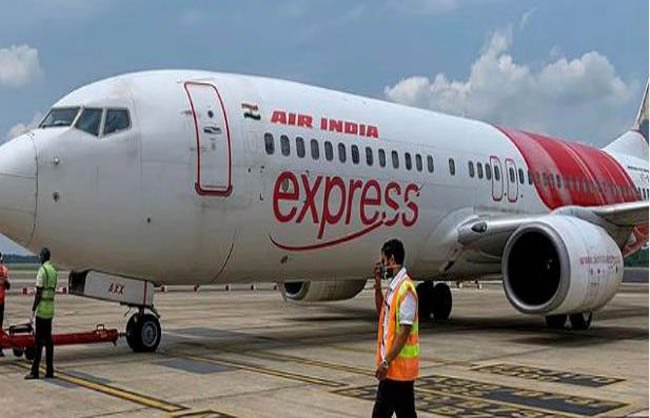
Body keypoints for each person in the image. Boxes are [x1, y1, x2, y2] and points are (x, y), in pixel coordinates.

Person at [372, 239, 419, 418]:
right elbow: (381, 313)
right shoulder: (394, 288)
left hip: (397, 370)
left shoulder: (406, 290)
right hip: (395, 371)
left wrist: (386, 362)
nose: (382, 266)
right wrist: (377, 284)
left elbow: (404, 332)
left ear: (392, 260)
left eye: (383, 261)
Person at [25, 248, 57, 379]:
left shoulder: (42, 271)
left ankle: (35, 371)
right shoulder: (53, 271)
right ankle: (50, 370)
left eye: (40, 256)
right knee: (48, 341)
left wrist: (33, 309)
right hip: (50, 309)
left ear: (43, 257)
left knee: (38, 342)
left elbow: (38, 293)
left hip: (42, 310)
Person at [0, 252, 10, 357]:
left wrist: (4, 281)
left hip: (1, 301)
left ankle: (0, 347)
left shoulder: (4, 270)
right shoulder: (4, 269)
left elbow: (8, 286)